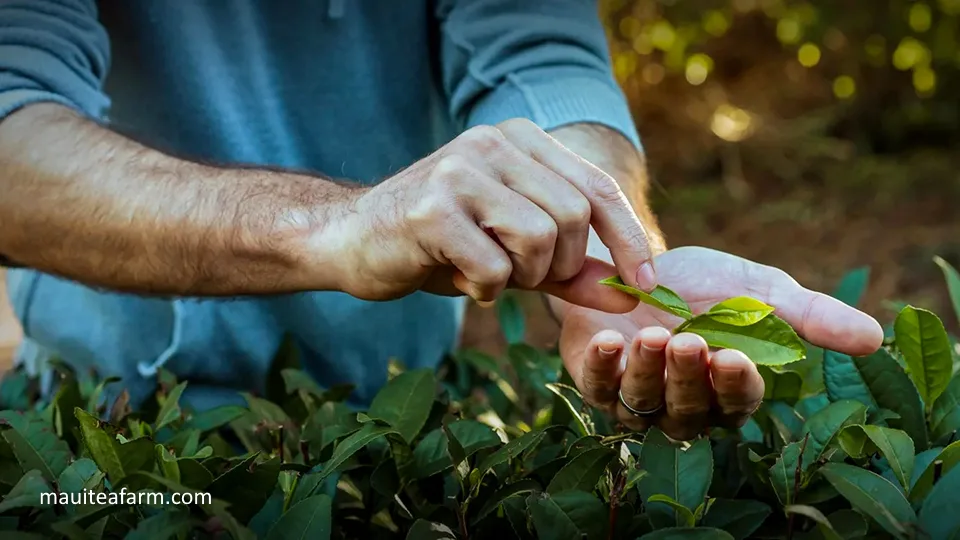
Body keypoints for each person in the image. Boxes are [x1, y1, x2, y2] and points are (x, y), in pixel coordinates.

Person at [0, 1, 882, 441]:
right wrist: (339, 225)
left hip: (396, 415)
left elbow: (538, 52)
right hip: (103, 434)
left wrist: (614, 258)